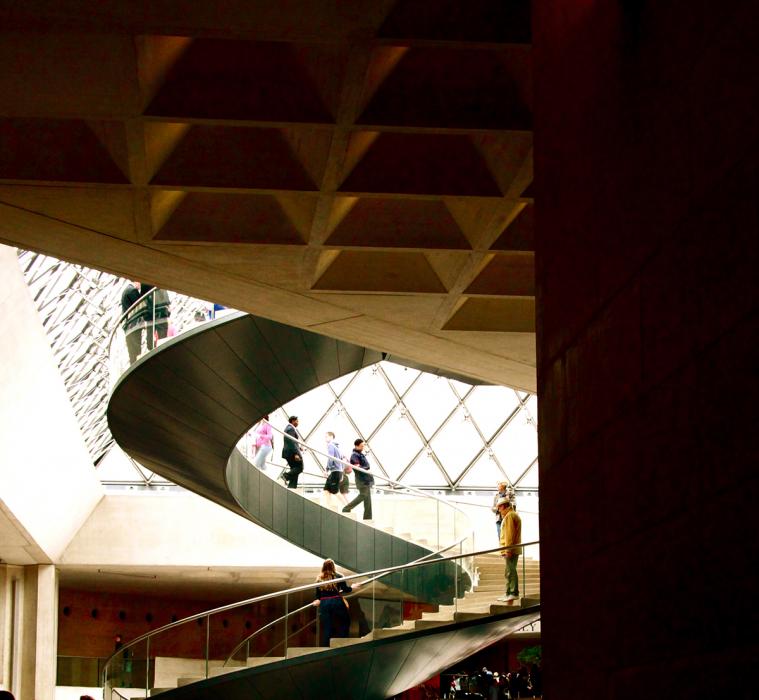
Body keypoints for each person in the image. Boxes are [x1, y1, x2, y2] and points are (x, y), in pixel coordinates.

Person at [312, 558, 352, 646]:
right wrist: (353, 587)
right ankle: (343, 642)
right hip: (336, 601)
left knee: (327, 626)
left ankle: (326, 647)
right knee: (345, 621)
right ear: (333, 566)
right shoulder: (339, 576)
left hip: (324, 603)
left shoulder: (319, 578)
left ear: (323, 567)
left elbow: (318, 595)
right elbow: (345, 589)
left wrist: (318, 601)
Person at [496, 497, 522, 603]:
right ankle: (508, 593)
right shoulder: (510, 515)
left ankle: (513, 593)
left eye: (499, 507)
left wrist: (508, 550)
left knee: (510, 571)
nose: (499, 510)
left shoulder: (510, 516)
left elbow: (509, 535)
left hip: (511, 550)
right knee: (508, 571)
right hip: (511, 549)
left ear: (503, 506)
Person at [342, 439, 373, 520]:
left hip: (366, 479)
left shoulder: (360, 454)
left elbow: (364, 465)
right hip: (361, 479)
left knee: (368, 500)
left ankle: (368, 518)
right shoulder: (354, 455)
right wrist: (367, 468)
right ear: (356, 446)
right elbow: (357, 468)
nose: (363, 447)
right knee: (363, 495)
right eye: (362, 446)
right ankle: (346, 508)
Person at [120, 279, 144, 363]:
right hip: (134, 325)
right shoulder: (132, 290)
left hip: (128, 326)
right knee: (136, 348)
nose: (140, 286)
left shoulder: (126, 290)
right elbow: (141, 306)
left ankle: (134, 364)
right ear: (137, 281)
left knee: (132, 351)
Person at [323, 431, 348, 507]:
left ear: (331, 437)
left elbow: (330, 458)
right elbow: (344, 460)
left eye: (326, 436)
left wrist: (327, 470)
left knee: (335, 490)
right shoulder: (337, 447)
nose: (325, 438)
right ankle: (329, 507)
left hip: (335, 471)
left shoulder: (330, 445)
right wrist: (342, 473)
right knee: (326, 489)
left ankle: (347, 507)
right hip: (337, 471)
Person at [280, 415, 303, 488]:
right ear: (293, 421)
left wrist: (299, 447)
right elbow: (291, 441)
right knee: (300, 467)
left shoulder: (289, 428)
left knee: (294, 470)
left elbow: (292, 442)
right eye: (297, 421)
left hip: (289, 452)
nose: (298, 422)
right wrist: (296, 454)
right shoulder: (290, 429)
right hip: (292, 453)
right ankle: (285, 476)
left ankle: (292, 487)